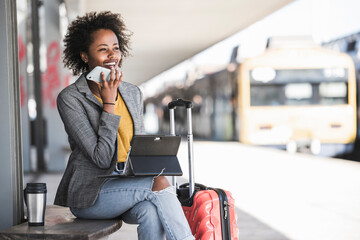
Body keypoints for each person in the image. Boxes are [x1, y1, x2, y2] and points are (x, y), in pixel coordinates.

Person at [54, 11, 194, 240]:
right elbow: (101, 157)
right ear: (84, 56)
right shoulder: (71, 98)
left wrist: (156, 155)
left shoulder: (131, 92)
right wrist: (109, 103)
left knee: (151, 211)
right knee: (158, 183)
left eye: (116, 47)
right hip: (91, 195)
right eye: (102, 49)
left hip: (127, 185)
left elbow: (138, 148)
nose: (112, 55)